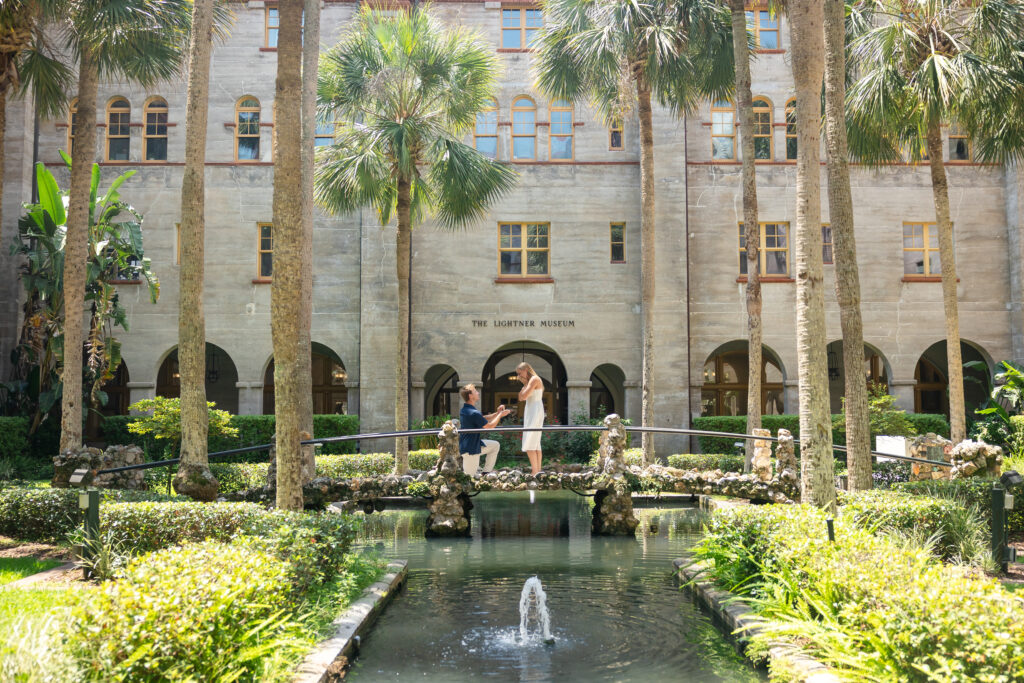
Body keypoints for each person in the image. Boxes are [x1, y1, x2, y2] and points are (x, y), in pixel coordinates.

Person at [458, 383, 510, 476]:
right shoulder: (473, 412)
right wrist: (500, 415)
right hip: (470, 450)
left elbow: (482, 418)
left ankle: (486, 473)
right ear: (470, 396)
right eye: (475, 391)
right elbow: (490, 426)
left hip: (474, 445)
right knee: (469, 478)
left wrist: (497, 413)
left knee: (495, 445)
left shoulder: (466, 410)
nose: (478, 393)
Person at [516, 362, 545, 474]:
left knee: (530, 443)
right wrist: (524, 384)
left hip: (535, 411)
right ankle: (538, 471)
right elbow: (520, 397)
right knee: (535, 443)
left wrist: (525, 385)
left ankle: (535, 471)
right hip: (531, 411)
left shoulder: (534, 379)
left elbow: (523, 396)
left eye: (520, 373)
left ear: (526, 370)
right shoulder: (528, 382)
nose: (519, 376)